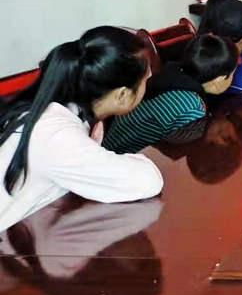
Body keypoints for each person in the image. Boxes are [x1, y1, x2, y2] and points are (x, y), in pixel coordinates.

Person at [0, 27, 164, 230]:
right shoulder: (56, 135)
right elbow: (147, 181)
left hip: (30, 231)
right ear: (122, 95)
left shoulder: (67, 113)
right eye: (145, 80)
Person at [103, 35, 238, 154]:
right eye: (233, 73)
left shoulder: (171, 73)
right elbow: (183, 149)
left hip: (109, 143)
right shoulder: (192, 106)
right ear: (219, 79)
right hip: (122, 159)